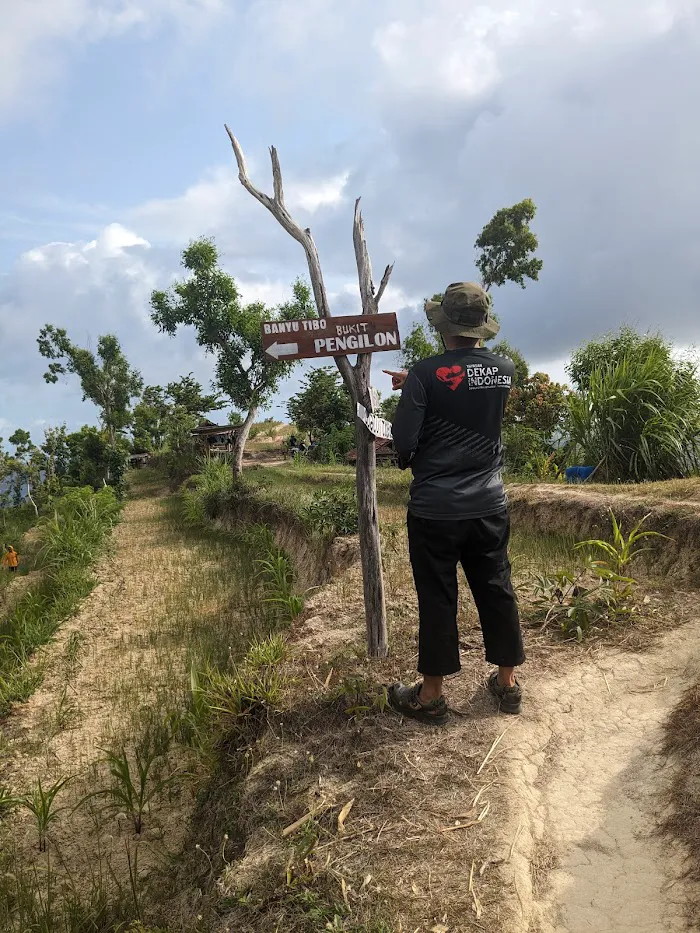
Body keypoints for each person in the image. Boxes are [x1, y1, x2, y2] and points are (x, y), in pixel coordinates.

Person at [384, 282, 525, 726]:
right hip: (489, 503)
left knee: (438, 597)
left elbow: (404, 441)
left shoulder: (425, 374)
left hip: (435, 510)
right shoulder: (503, 369)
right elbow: (468, 389)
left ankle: (430, 697)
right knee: (496, 587)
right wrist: (421, 383)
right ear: (482, 325)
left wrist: (412, 390)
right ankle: (507, 685)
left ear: (442, 325)